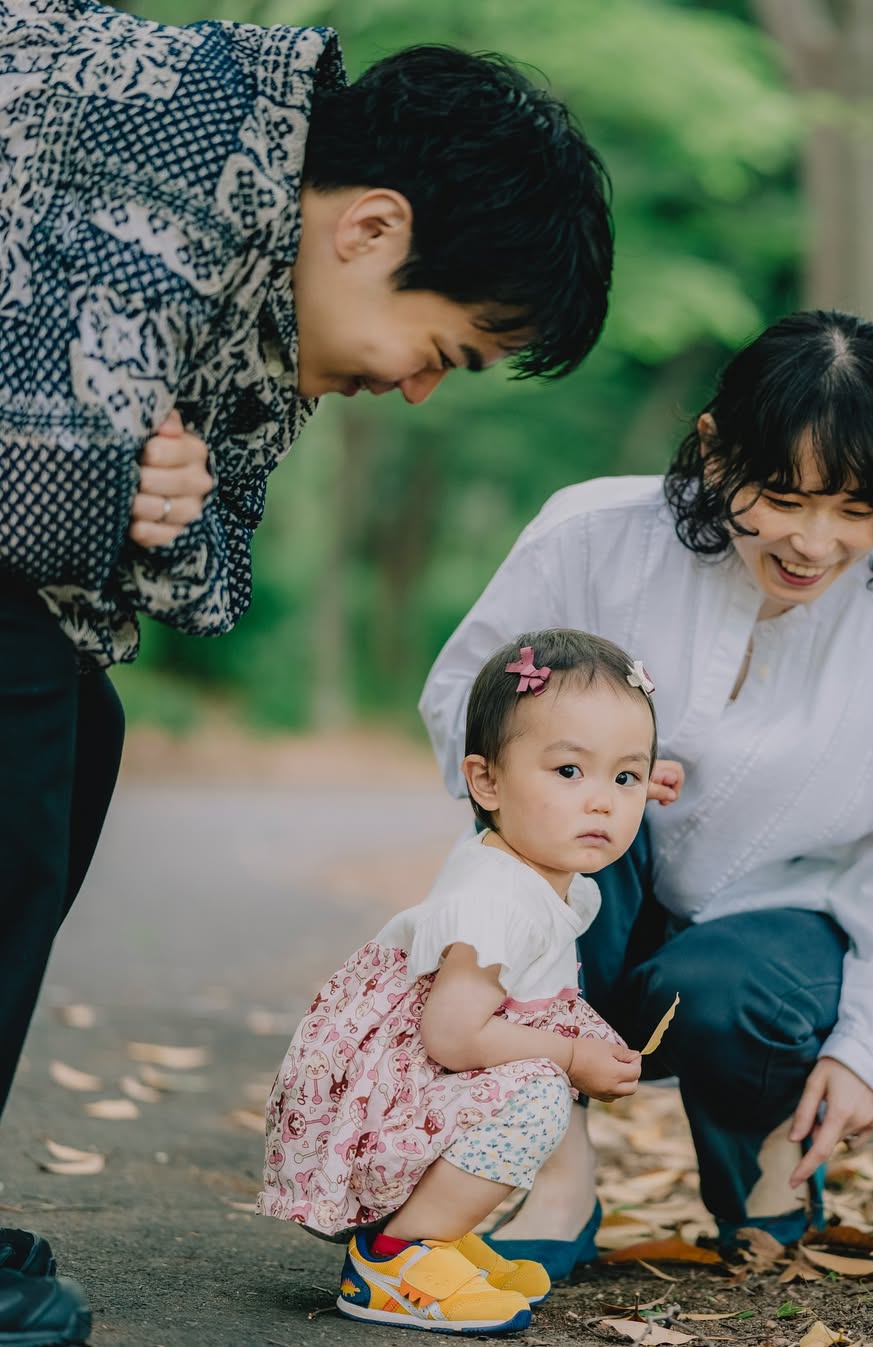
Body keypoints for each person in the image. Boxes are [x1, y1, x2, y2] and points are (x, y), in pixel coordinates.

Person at [0, 5, 613, 1340]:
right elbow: (40, 509)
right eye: (442, 350)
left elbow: (210, 580)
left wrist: (151, 495)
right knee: (22, 721)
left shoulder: (266, 300)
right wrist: (112, 481)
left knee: (79, 730)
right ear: (373, 231)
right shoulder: (174, 144)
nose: (419, 390)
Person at [419, 310, 873, 1272]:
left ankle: (767, 1159)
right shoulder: (590, 537)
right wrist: (599, 770)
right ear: (714, 450)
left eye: (856, 509)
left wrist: (872, 1049)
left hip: (770, 944)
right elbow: (465, 706)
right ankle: (557, 1166)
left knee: (731, 987)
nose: (814, 541)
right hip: (588, 912)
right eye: (784, 496)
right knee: (566, 820)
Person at [256, 630, 650, 1332]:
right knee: (535, 1093)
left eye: (626, 778)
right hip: (400, 1077)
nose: (603, 802)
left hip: (420, 1072)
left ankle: (436, 1233)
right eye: (569, 771)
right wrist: (570, 1055)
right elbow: (452, 1035)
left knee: (535, 1085)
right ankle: (396, 1256)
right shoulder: (498, 898)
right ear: (486, 781)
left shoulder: (535, 868)